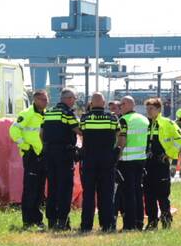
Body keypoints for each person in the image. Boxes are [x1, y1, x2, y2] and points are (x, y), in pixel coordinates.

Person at [79, 92, 121, 232]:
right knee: (107, 194)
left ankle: (86, 226)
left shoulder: (85, 118)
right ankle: (108, 225)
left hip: (89, 159)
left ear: (91, 103)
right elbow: (117, 135)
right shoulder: (112, 118)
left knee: (88, 194)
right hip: (107, 159)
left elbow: (81, 132)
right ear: (104, 103)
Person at [143, 98, 181, 230]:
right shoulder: (146, 123)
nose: (148, 112)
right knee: (149, 194)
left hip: (161, 163)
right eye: (147, 109)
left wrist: (169, 153)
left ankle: (166, 221)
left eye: (151, 109)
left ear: (158, 109)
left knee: (162, 194)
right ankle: (152, 222)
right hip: (147, 163)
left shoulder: (167, 123)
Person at [41, 87, 80, 230]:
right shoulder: (67, 113)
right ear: (68, 99)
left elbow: (41, 133)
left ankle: (51, 220)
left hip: (49, 152)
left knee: (52, 186)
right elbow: (78, 130)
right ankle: (63, 221)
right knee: (65, 187)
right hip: (64, 153)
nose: (74, 101)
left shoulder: (49, 112)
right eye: (74, 99)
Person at [9, 90, 48, 230]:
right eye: (43, 99)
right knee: (30, 189)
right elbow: (13, 131)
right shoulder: (27, 114)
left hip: (42, 155)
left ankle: (37, 219)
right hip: (31, 155)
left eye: (46, 99)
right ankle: (27, 220)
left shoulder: (45, 115)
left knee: (39, 189)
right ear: (36, 100)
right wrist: (26, 146)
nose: (46, 102)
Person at [116, 95, 149, 231]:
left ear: (129, 105)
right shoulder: (144, 119)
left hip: (127, 161)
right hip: (141, 160)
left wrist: (116, 156)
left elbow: (122, 141)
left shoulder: (124, 120)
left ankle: (129, 225)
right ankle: (139, 222)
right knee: (138, 191)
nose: (120, 108)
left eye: (121, 105)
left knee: (128, 194)